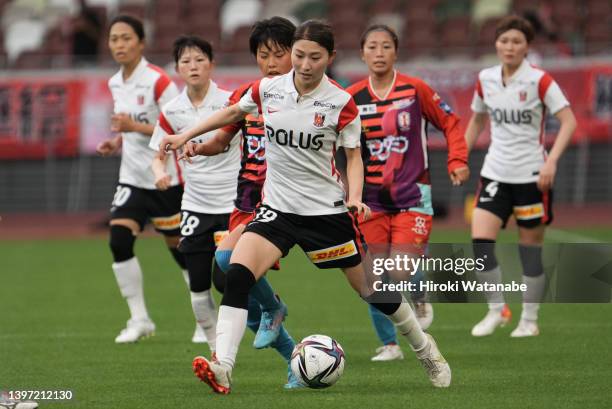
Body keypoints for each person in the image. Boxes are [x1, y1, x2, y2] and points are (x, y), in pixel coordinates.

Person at [162, 20, 452, 394]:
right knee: (236, 273)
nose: (305, 63)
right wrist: (185, 134)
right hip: (278, 209)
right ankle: (224, 366)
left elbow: (354, 157)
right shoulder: (268, 89)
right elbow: (233, 113)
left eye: (315, 57)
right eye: (299, 55)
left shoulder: (341, 102)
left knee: (372, 290)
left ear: (329, 57)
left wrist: (355, 196)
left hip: (325, 212)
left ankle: (425, 348)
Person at [151, 28, 300, 389]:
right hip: (244, 204)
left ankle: (421, 341)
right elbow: (218, 140)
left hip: (297, 204)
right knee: (226, 276)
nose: (269, 63)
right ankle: (277, 356)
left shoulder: (314, 99)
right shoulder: (246, 97)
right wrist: (191, 147)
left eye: (278, 54)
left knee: (369, 280)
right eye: (262, 55)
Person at [346, 24, 469, 361]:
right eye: (372, 47)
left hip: (413, 195)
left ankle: (419, 291)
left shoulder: (416, 90)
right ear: (362, 53)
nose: (379, 53)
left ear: (396, 52)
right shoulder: (352, 97)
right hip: (370, 201)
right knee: (372, 275)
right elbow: (337, 144)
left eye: (386, 46)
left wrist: (457, 160)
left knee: (398, 269)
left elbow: (451, 122)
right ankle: (389, 344)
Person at [465, 15, 576, 337]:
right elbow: (476, 121)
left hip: (531, 177)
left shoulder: (539, 80)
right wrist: (460, 156)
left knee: (530, 251)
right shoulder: (485, 78)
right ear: (496, 44)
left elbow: (568, 121)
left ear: (527, 47)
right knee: (480, 244)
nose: (509, 47)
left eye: (517, 42)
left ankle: (529, 320)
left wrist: (551, 162)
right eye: (504, 41)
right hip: (494, 173)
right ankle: (497, 309)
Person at [96, 15, 191, 344]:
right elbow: (128, 128)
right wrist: (116, 142)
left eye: (126, 38)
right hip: (132, 178)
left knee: (181, 252)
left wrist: (132, 128)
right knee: (118, 241)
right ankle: (139, 318)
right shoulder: (115, 83)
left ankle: (203, 317)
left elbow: (177, 129)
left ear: (141, 42)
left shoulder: (159, 81)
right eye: (114, 39)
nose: (119, 45)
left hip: (165, 178)